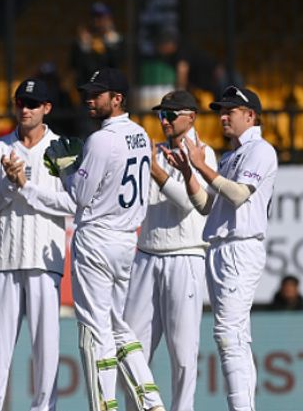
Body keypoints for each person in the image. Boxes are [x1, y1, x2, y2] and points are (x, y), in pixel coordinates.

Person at [46, 67, 165, 411]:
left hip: (97, 237)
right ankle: (151, 401)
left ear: (117, 99)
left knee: (95, 329)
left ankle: (103, 405)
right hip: (127, 239)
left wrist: (67, 169)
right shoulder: (142, 134)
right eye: (88, 91)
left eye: (97, 94)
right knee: (118, 325)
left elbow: (80, 196)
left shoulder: (100, 139)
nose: (88, 98)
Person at [164, 86, 278, 411]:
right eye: (221, 112)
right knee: (234, 336)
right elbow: (205, 206)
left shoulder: (261, 150)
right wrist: (189, 172)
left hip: (240, 248)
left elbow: (240, 194)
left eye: (230, 112)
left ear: (250, 116)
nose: (223, 117)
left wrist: (201, 166)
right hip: (220, 246)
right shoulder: (229, 157)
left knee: (229, 334)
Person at [0, 79, 75, 411]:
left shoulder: (64, 147)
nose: (26, 110)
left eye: (33, 104)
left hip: (46, 261)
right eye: (21, 103)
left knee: (45, 348)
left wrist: (26, 186)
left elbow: (73, 203)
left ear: (47, 108)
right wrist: (7, 185)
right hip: (5, 261)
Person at [123, 91, 216, 411]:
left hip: (185, 255)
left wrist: (157, 172)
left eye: (171, 115)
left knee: (183, 353)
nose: (163, 120)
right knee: (130, 347)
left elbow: (191, 204)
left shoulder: (205, 154)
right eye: (161, 114)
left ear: (191, 116)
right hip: (146, 255)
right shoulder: (155, 153)